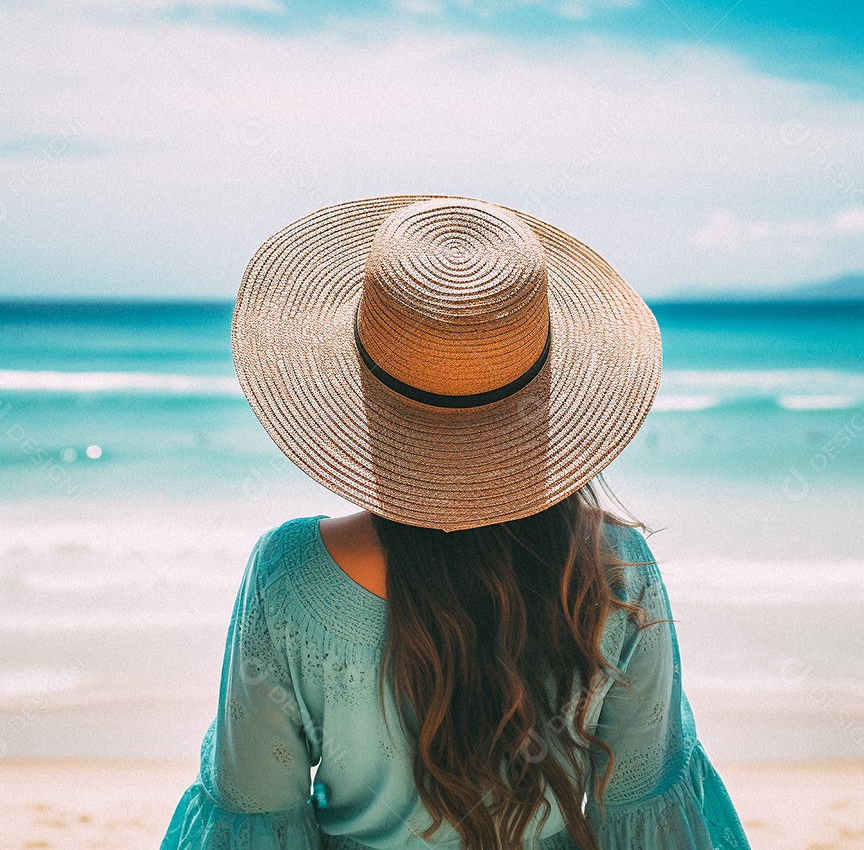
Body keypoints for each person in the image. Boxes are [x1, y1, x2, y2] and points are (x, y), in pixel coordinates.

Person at [161, 195, 752, 850]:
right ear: (548, 389)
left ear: (360, 387)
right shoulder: (615, 568)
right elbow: (642, 814)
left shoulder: (292, 571)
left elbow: (256, 808)